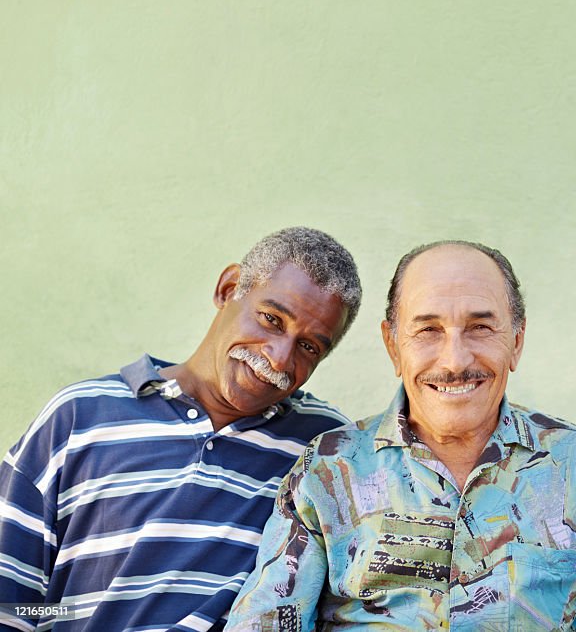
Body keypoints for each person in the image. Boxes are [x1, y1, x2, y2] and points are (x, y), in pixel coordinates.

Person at [225, 241, 576, 631]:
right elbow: (266, 620)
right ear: (393, 345)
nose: (455, 360)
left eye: (480, 327)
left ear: (516, 341)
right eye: (428, 330)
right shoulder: (328, 467)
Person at [0, 227, 362, 632]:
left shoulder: (324, 451)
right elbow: (13, 605)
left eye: (309, 347)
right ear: (228, 289)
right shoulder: (79, 418)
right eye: (271, 319)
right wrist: (84, 616)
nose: (279, 359)